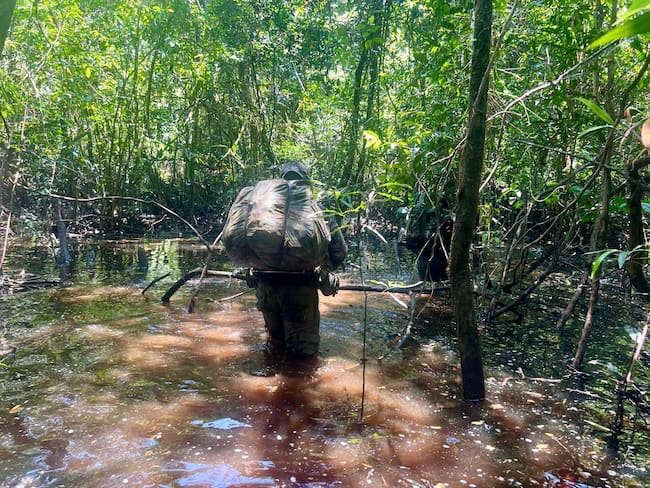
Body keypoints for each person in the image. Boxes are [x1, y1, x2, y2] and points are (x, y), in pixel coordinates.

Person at [247, 161, 347, 358]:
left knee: (275, 347)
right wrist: (324, 269)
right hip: (300, 289)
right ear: (306, 181)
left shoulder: (263, 209)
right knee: (303, 357)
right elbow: (339, 251)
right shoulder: (318, 208)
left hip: (266, 289)